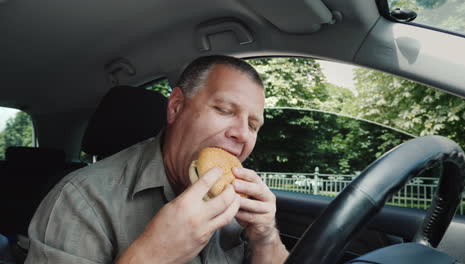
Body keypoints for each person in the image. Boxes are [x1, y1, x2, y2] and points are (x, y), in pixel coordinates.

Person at [25, 55, 289, 264]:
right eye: (223, 110)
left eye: (253, 125)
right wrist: (151, 256)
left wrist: (264, 237)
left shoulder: (239, 201)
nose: (242, 134)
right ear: (175, 107)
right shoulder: (81, 199)